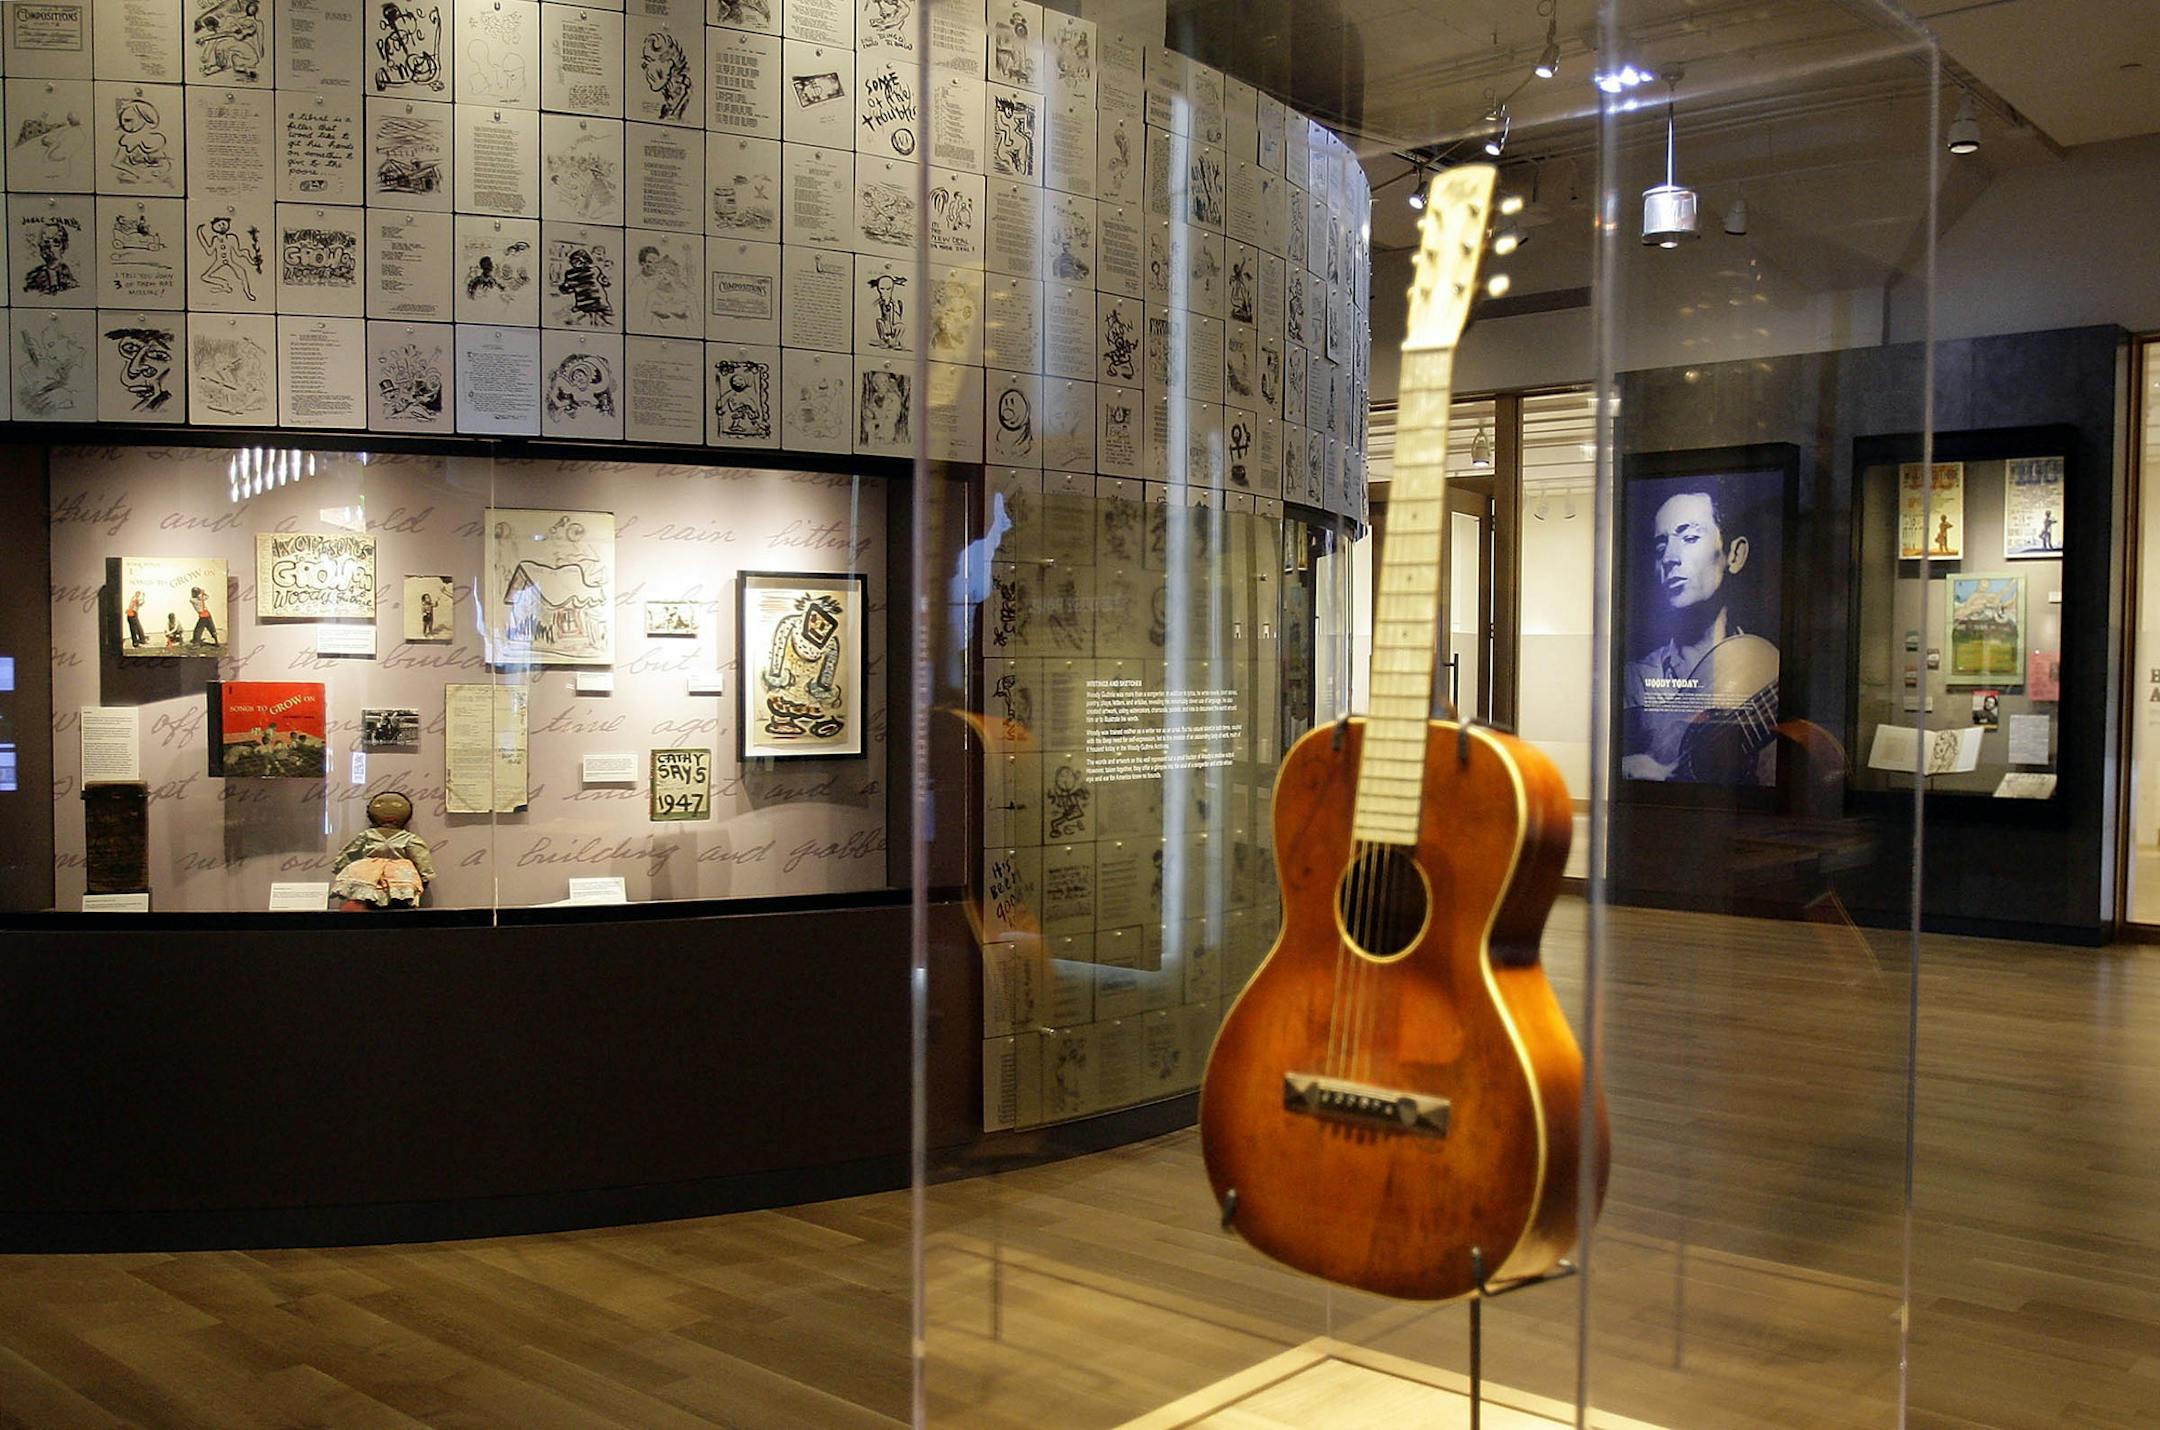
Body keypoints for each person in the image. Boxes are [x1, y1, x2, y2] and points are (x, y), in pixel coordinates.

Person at [1622, 487, 1779, 785]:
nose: (1669, 557)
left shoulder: (1767, 666)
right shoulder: (1632, 681)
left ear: (1734, 554)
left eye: (1690, 537)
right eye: (1659, 548)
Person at [331, 792, 436, 910]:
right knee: (365, 895)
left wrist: (425, 874)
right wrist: (425, 875)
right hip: (370, 872)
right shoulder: (368, 836)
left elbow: (419, 856)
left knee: (398, 897)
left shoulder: (408, 839)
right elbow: (352, 851)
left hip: (396, 873)